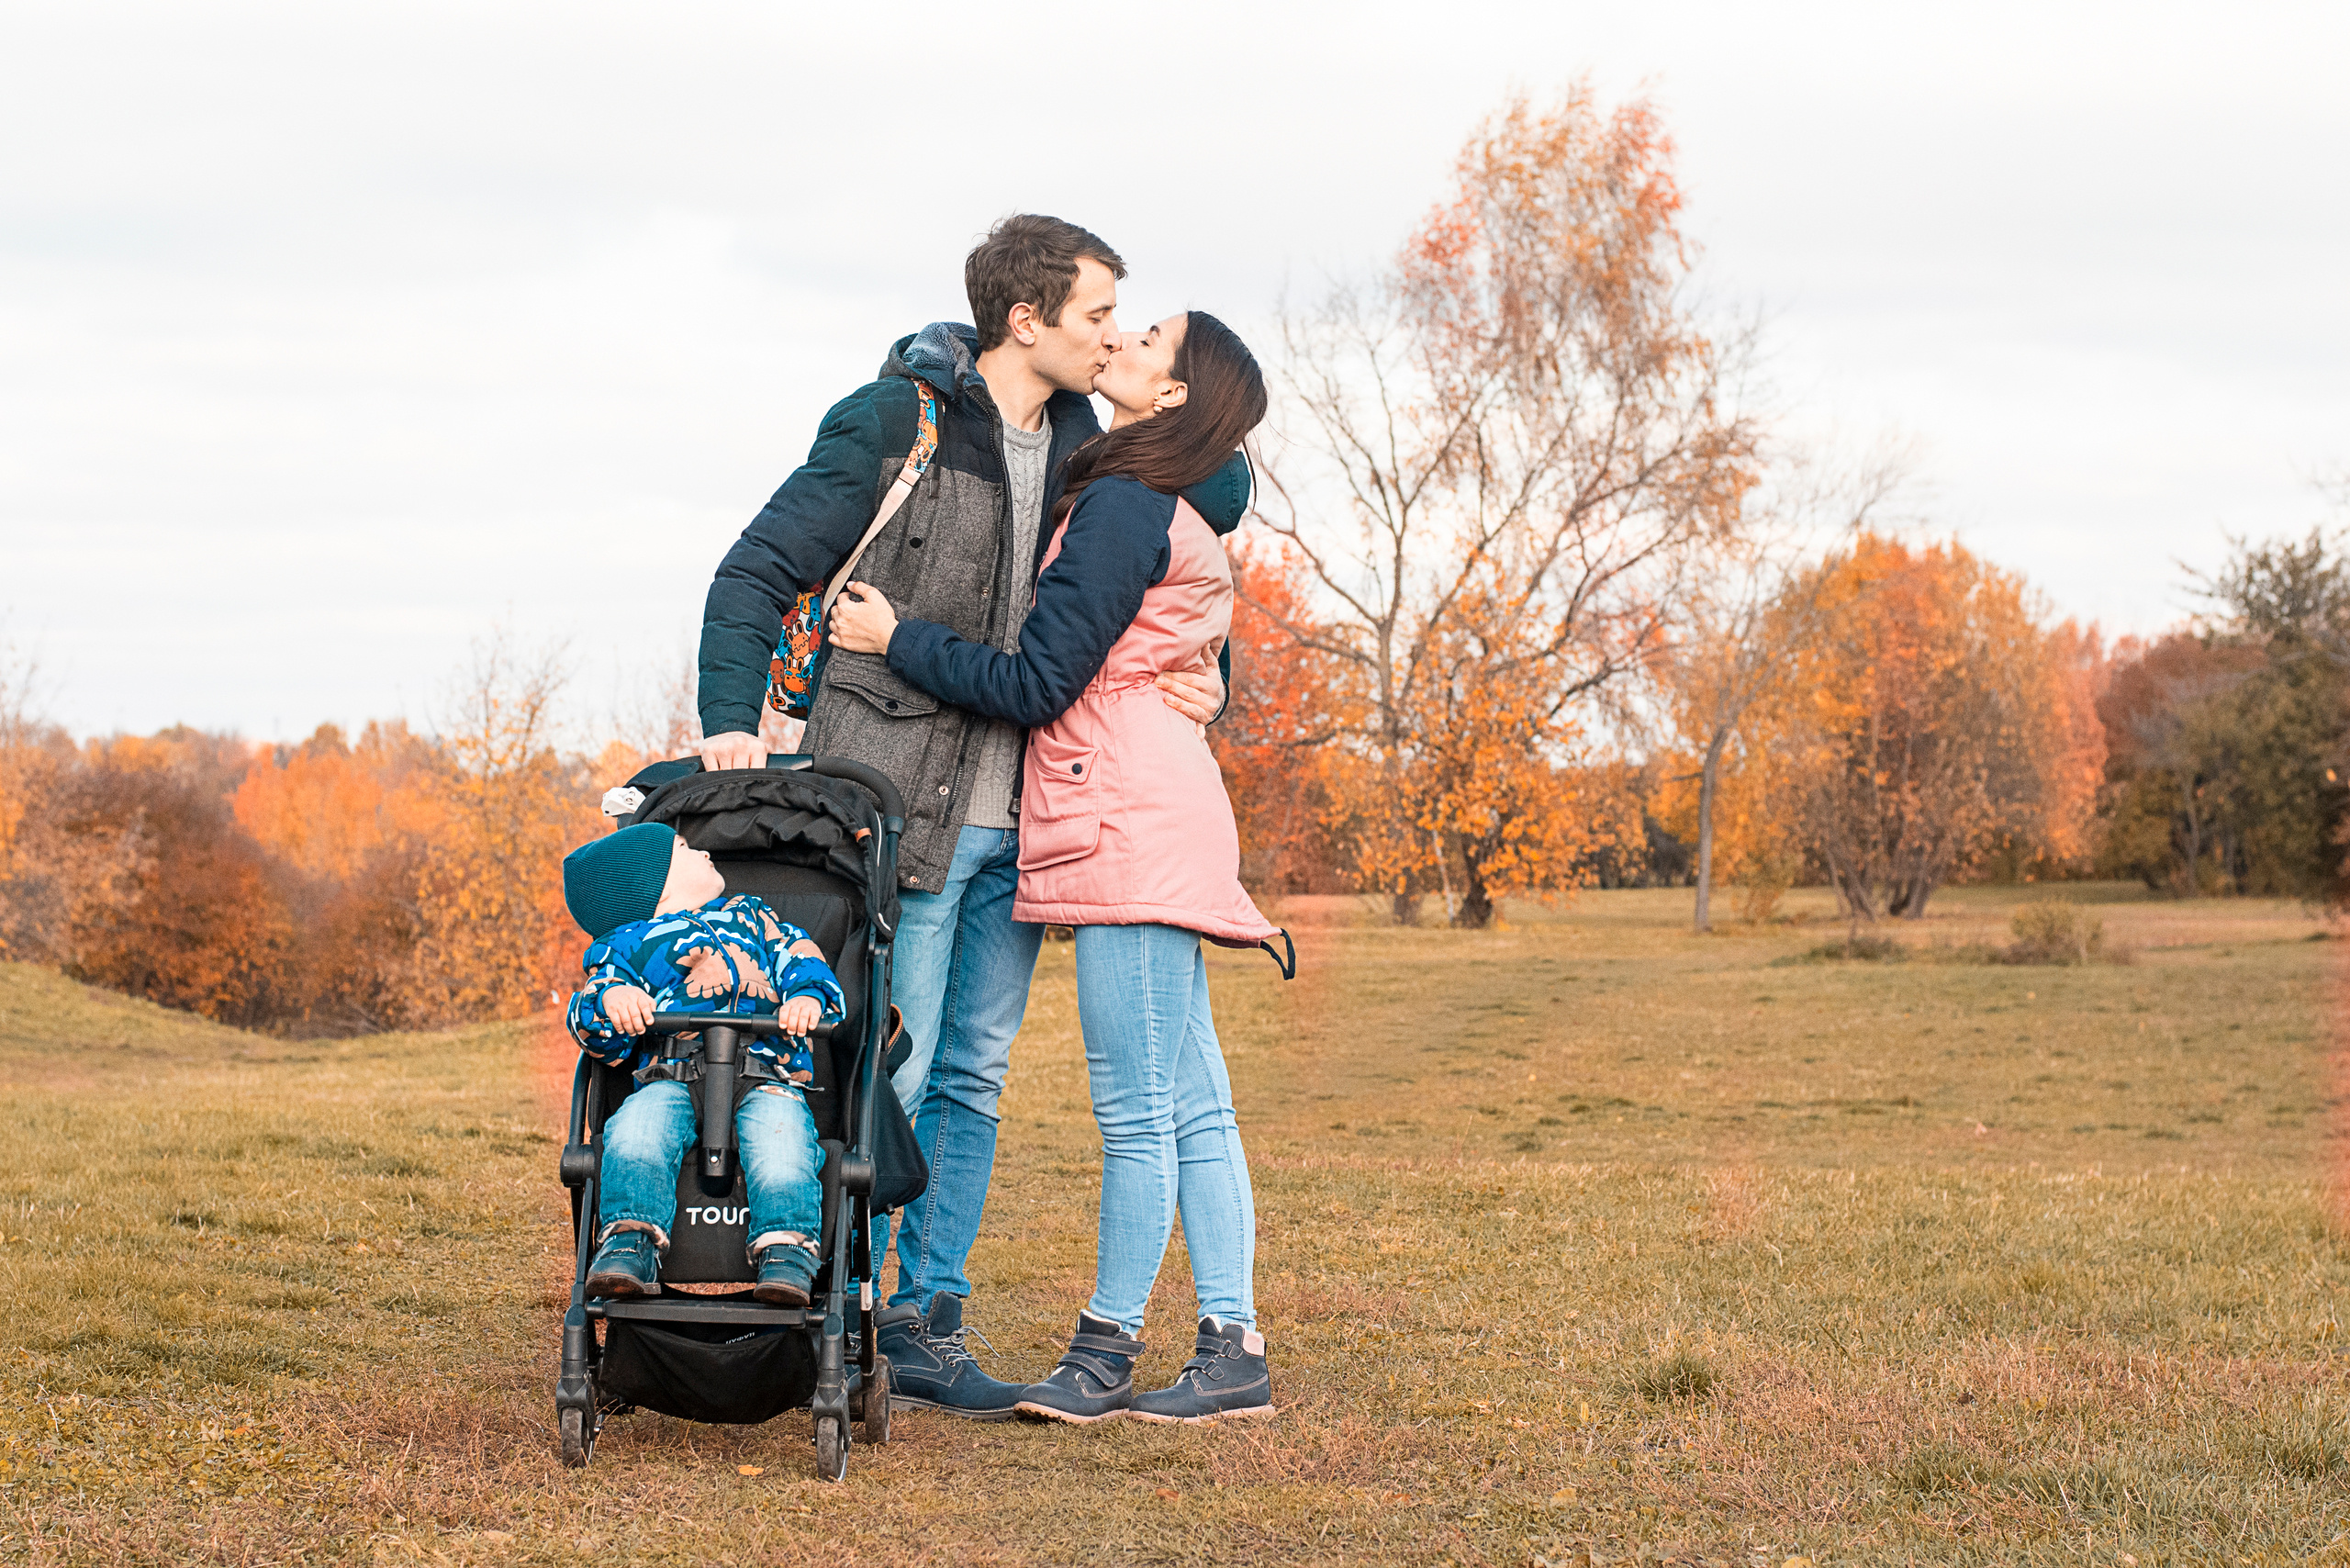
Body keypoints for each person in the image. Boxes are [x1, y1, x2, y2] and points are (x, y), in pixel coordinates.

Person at [690, 215, 1248, 1419]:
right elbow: (753, 570)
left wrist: (1219, 670)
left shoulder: (1100, 441)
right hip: (896, 812)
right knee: (878, 1061)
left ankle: (928, 1319)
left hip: (1024, 827)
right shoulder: (900, 425)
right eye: (1101, 314)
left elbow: (1209, 494)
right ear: (1027, 321)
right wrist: (732, 718)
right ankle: (817, 1307)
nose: (1115, 336)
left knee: (976, 1077)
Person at [828, 309, 1282, 1426]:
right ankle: (1231, 1346)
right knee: (1194, 1101)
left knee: (1139, 1109)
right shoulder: (1139, 482)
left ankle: (1106, 1350)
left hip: (1126, 821)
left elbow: (1038, 682)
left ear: (1171, 395)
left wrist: (899, 642)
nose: (1122, 339)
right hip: (1160, 807)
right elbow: (1209, 527)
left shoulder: (1126, 502)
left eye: (1148, 339)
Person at [562, 823, 845, 1308]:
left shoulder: (753, 917)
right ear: (654, 883)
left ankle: (789, 1249)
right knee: (636, 1133)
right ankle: (630, 1241)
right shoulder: (626, 946)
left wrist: (808, 996)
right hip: (669, 1076)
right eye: (685, 848)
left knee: (784, 1143)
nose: (704, 849)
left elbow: (800, 955)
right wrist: (612, 999)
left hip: (765, 1074)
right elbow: (589, 1019)